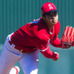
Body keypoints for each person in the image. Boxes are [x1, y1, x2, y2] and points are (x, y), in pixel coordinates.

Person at [0, 2, 71, 74]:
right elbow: (47, 53)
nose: (53, 17)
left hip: (30, 52)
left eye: (54, 13)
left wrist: (62, 44)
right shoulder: (40, 33)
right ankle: (14, 71)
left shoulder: (56, 25)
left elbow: (53, 40)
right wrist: (54, 56)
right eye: (49, 15)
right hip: (12, 49)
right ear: (44, 17)